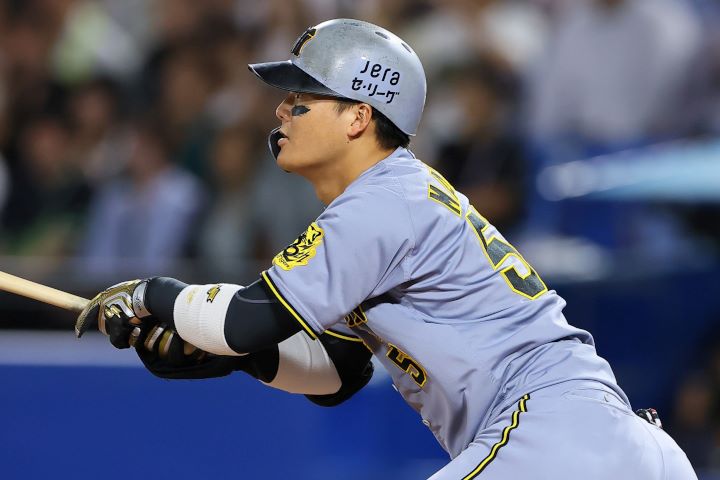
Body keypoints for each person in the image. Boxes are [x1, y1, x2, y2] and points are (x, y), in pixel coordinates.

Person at [74, 19, 697, 479]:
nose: (281, 111)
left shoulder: (382, 200)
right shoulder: (393, 198)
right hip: (608, 442)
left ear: (358, 117)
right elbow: (338, 371)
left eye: (302, 99)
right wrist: (233, 356)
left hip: (552, 430)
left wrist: (154, 296)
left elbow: (243, 320)